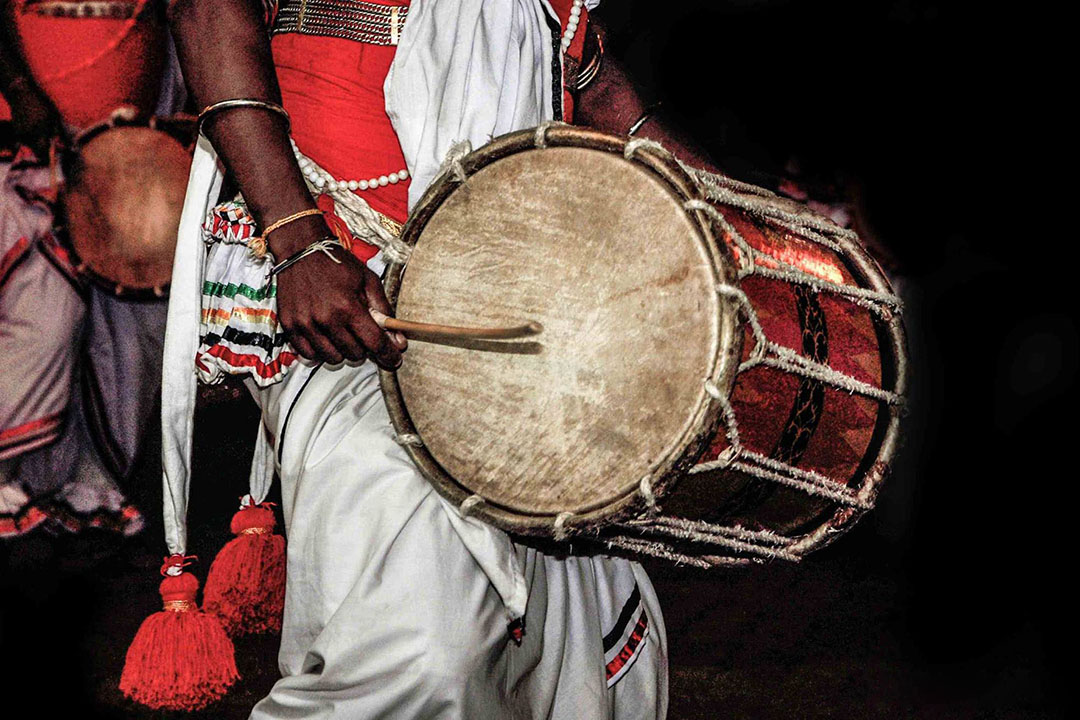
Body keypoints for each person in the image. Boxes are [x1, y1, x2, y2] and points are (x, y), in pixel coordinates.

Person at [162, 0, 721, 716]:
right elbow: (208, 10)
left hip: (520, 319)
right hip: (355, 302)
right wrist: (299, 238)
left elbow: (595, 83)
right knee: (423, 654)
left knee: (546, 649)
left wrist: (734, 218)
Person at [0, 0, 183, 540]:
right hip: (24, 148)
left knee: (138, 321)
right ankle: (11, 479)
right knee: (44, 316)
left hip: (134, 149)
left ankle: (88, 483)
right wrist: (22, 91)